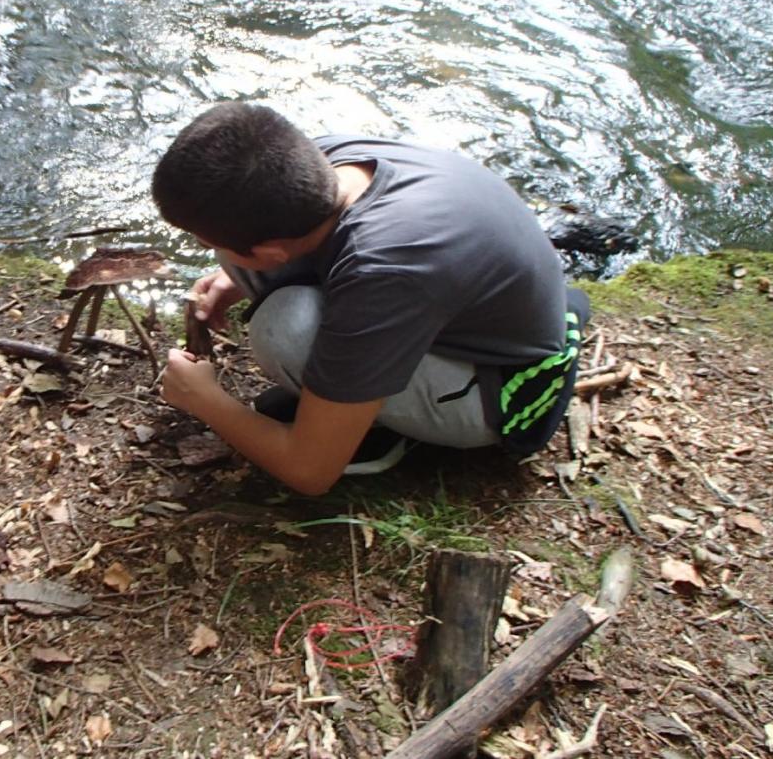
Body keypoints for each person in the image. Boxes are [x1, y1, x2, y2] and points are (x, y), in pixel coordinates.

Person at [152, 102, 588, 496]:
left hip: (505, 390)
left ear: (272, 252)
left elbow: (308, 473)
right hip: (481, 316)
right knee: (239, 265)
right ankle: (345, 399)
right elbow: (289, 248)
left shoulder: (384, 271)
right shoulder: (324, 162)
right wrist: (239, 274)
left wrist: (205, 400)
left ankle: (365, 432)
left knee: (284, 328)